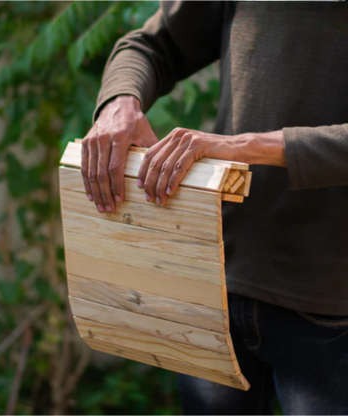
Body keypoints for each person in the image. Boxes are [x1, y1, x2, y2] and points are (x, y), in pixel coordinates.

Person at [80, 3, 348, 415]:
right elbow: (153, 44)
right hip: (215, 277)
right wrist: (120, 101)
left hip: (330, 302)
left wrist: (242, 146)